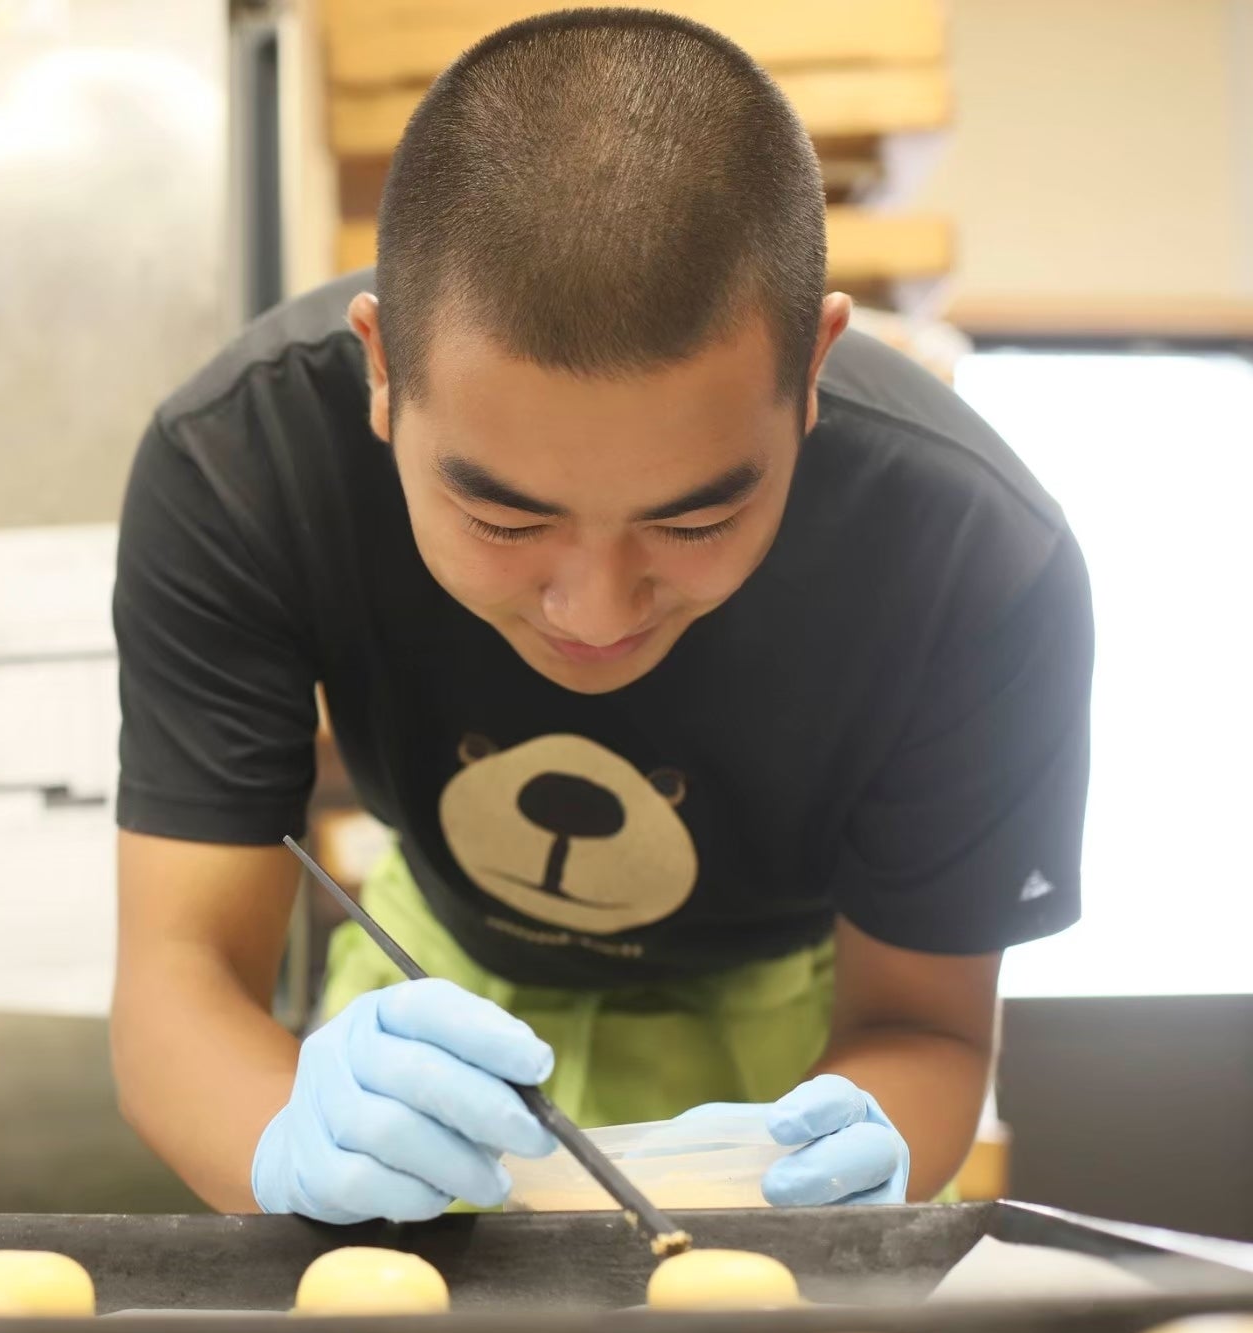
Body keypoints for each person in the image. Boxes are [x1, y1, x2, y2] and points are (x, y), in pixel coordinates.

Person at [108, 8, 1092, 1223]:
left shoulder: (972, 556)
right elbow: (178, 978)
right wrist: (279, 1139)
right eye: (503, 522)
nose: (593, 613)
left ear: (809, 376)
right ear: (381, 372)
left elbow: (922, 1026)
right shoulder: (242, 462)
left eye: (692, 523)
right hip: (436, 1002)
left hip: (797, 1038)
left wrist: (861, 1143)